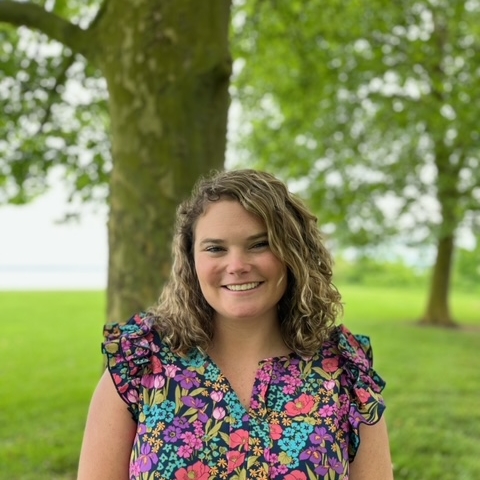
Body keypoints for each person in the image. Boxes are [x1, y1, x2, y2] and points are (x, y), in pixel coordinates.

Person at [77, 169, 393, 480]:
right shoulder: (141, 362)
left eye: (259, 244)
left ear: (293, 253)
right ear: (191, 260)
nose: (238, 266)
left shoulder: (344, 373)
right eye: (216, 248)